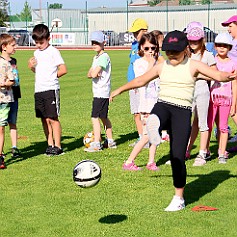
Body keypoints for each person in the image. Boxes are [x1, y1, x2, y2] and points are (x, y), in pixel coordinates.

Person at [110, 30, 236, 211]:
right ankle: (155, 129)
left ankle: (179, 198)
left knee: (177, 157)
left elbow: (217, 75)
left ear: (185, 49)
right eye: (168, 51)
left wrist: (230, 76)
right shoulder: (162, 66)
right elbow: (141, 80)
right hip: (164, 106)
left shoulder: (194, 65)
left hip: (182, 112)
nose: (171, 54)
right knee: (156, 115)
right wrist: (119, 90)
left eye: (175, 51)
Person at [123, 32, 163, 171]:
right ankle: (128, 162)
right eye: (147, 49)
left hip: (156, 103)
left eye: (153, 48)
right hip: (146, 105)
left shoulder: (158, 62)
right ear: (141, 48)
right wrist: (151, 64)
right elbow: (142, 80)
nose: (150, 51)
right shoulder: (139, 63)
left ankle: (151, 162)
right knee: (146, 136)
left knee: (155, 135)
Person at [28, 24, 67, 156]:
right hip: (39, 89)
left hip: (51, 89)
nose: (38, 45)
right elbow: (38, 71)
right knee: (44, 119)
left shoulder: (53, 51)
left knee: (52, 118)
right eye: (36, 42)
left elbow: (63, 69)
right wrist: (31, 67)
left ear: (48, 39)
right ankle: (50, 144)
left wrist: (52, 77)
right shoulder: (36, 53)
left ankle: (58, 146)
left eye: (41, 42)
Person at [184, 22, 216, 166]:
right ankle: (186, 150)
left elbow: (214, 75)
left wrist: (200, 75)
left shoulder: (208, 56)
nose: (193, 43)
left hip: (202, 92)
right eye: (191, 40)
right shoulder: (185, 56)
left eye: (196, 40)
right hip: (188, 92)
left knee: (202, 123)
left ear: (202, 40)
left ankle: (202, 153)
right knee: (186, 123)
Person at [206, 33, 237, 164]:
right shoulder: (212, 61)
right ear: (215, 46)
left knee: (223, 127)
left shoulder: (233, 63)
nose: (222, 48)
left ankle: (221, 153)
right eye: (219, 45)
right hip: (211, 99)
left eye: (225, 45)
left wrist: (233, 104)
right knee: (208, 125)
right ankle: (205, 150)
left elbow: (234, 84)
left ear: (229, 47)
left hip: (226, 99)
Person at [84, 31, 116, 152]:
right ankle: (110, 140)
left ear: (103, 43)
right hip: (99, 92)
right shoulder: (96, 57)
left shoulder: (104, 57)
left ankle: (97, 143)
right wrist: (94, 73)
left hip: (101, 92)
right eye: (93, 42)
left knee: (95, 117)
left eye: (97, 42)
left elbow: (93, 73)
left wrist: (94, 73)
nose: (94, 44)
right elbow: (90, 73)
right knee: (103, 117)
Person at [127, 18, 148, 147]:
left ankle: (147, 137)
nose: (135, 35)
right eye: (134, 33)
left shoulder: (148, 46)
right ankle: (141, 137)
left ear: (144, 31)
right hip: (132, 83)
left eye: (137, 32)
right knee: (135, 112)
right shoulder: (134, 45)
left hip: (141, 83)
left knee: (143, 112)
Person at [221, 15, 237, 151]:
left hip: (235, 82)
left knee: (234, 112)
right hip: (230, 81)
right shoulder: (232, 41)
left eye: (230, 26)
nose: (228, 29)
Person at [0, 34, 15, 168]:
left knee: (1, 129)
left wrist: (4, 84)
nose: (15, 47)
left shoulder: (7, 64)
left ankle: (0, 157)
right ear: (4, 47)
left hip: (4, 100)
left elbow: (12, 80)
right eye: (12, 45)